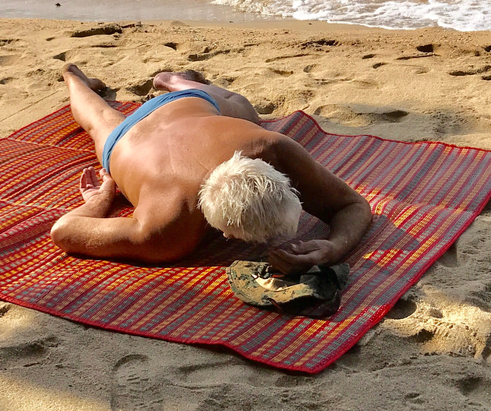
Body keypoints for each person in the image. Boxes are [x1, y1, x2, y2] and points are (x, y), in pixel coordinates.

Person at [50, 64, 372, 274]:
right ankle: (75, 76)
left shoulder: (272, 147)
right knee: (98, 123)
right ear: (222, 231)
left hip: (182, 109)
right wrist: (100, 200)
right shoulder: (164, 232)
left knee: (243, 109)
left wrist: (334, 248)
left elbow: (352, 205)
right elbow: (63, 232)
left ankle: (162, 80)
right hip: (129, 140)